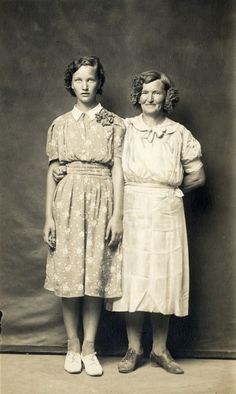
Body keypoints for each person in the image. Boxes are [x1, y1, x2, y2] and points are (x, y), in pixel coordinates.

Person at [106, 70, 205, 374]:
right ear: (137, 96)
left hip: (166, 211)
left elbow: (198, 175)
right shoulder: (124, 128)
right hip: (131, 208)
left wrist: (169, 193)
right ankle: (134, 349)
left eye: (156, 92)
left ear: (166, 97)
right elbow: (112, 171)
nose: (150, 98)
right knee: (134, 279)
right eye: (144, 92)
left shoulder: (179, 133)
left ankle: (160, 350)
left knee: (163, 278)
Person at [43, 56, 125, 377]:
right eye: (79, 80)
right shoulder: (60, 124)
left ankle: (90, 346)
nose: (85, 86)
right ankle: (72, 344)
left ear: (98, 82)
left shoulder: (114, 122)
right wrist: (48, 217)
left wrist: (117, 214)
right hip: (68, 201)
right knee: (70, 274)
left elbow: (118, 169)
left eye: (90, 79)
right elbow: (52, 171)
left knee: (94, 273)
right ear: (71, 84)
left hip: (103, 198)